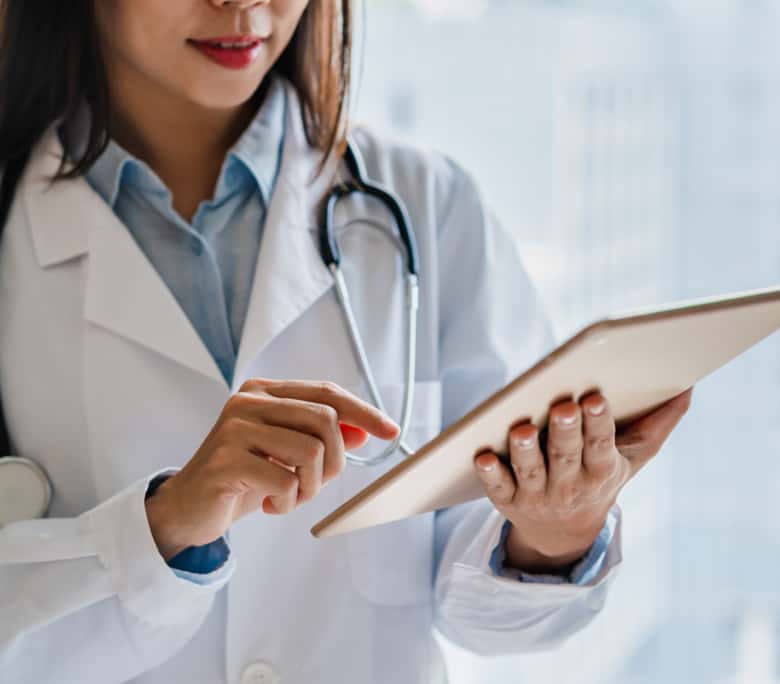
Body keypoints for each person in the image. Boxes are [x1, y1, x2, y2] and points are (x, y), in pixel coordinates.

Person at [0, 1, 692, 682]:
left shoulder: (427, 203)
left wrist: (555, 532)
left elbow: (486, 617)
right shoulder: (13, 229)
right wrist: (166, 527)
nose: (241, 4)